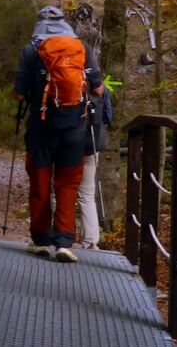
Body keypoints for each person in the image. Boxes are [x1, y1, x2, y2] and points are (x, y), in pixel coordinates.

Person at [13, 6, 104, 263]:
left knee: (40, 184)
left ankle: (41, 240)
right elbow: (97, 90)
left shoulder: (31, 51)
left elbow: (19, 94)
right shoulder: (82, 48)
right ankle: (64, 242)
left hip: (41, 129)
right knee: (67, 184)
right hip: (75, 129)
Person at [76, 88, 112, 249]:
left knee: (60, 190)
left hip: (68, 143)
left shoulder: (61, 77)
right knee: (87, 194)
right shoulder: (98, 84)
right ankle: (90, 240)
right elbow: (108, 116)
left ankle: (61, 235)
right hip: (93, 142)